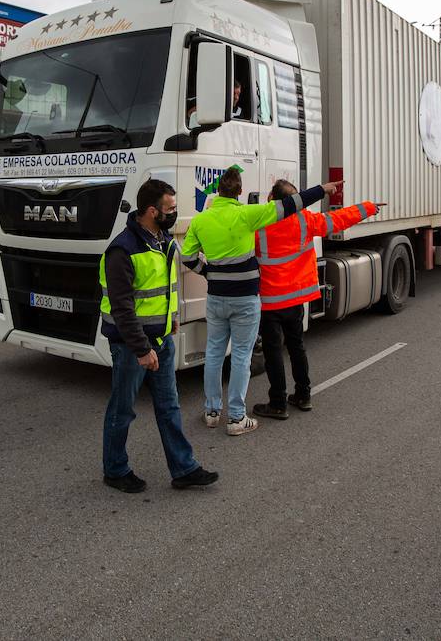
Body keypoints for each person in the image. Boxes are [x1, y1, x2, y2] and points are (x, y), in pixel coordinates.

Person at [181, 167, 338, 435]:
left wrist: (209, 272)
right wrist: (322, 189)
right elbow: (290, 205)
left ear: (217, 191)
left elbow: (187, 258)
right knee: (241, 356)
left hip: (216, 297)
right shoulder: (249, 215)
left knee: (215, 354)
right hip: (245, 299)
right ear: (240, 191)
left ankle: (211, 411)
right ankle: (236, 419)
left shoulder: (200, 221)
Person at [100, 178, 218, 493]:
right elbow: (123, 308)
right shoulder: (122, 249)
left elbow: (168, 288)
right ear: (152, 211)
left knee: (169, 407)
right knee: (122, 409)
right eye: (170, 209)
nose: (174, 214)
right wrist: (141, 349)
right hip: (131, 346)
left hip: (162, 339)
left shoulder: (163, 240)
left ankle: (184, 468)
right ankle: (115, 469)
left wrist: (174, 319)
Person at [251, 179, 382, 420]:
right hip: (296, 298)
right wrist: (368, 207)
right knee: (297, 347)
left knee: (273, 353)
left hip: (271, 300)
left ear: (273, 199)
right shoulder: (306, 221)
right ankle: (303, 396)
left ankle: (278, 403)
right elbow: (340, 218)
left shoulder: (259, 224)